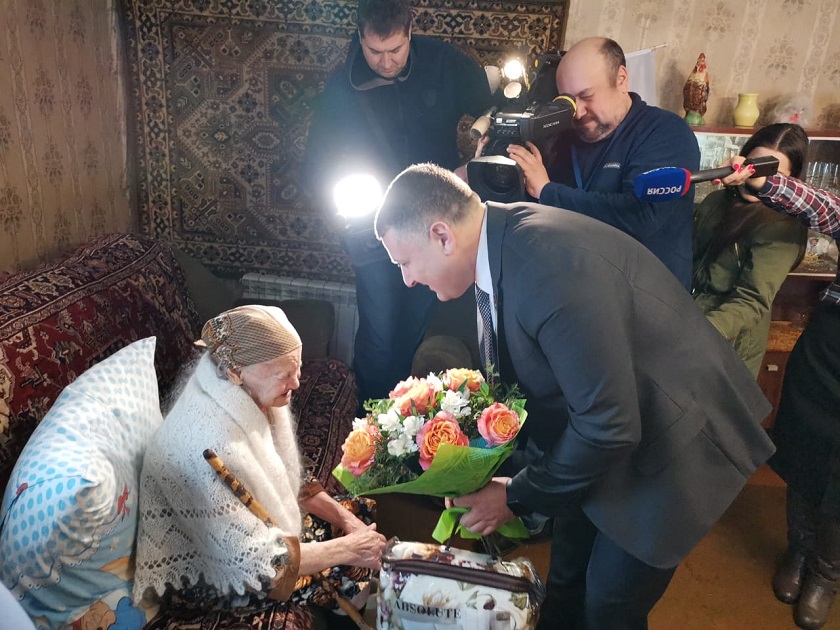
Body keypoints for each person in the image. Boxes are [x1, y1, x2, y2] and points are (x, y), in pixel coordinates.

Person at [373, 163, 775, 630]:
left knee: (609, 606)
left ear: (442, 236)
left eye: (404, 263)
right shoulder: (501, 238)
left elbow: (610, 425)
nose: (407, 280)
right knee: (566, 578)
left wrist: (515, 496)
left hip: (673, 438)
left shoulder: (546, 266)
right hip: (608, 428)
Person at [133, 305, 386, 629]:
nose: (297, 382)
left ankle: (361, 602)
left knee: (355, 515)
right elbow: (257, 560)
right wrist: (347, 549)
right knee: (344, 564)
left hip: (248, 535)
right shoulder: (207, 442)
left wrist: (346, 521)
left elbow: (291, 476)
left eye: (297, 369)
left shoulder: (243, 392)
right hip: (211, 575)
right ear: (236, 371)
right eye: (284, 375)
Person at [303, 0, 492, 407]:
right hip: (373, 231)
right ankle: (370, 420)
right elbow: (315, 164)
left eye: (395, 50)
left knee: (414, 333)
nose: (386, 62)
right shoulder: (341, 88)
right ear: (360, 37)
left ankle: (405, 421)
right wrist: (344, 216)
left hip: (433, 226)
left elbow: (492, 107)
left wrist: (475, 161)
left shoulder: (445, 63)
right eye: (375, 51)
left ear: (410, 31)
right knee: (379, 336)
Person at [720, 162, 840, 630]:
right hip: (829, 349)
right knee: (804, 451)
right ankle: (799, 550)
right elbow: (823, 207)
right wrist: (765, 182)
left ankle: (826, 573)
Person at [502, 37, 700, 289]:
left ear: (621, 79)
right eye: (568, 101)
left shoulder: (666, 131)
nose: (578, 111)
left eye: (587, 96)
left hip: (646, 297)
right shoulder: (562, 136)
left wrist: (547, 191)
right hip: (576, 290)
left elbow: (639, 217)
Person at [691, 123, 809, 377]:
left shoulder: (784, 226)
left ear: (791, 183)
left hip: (730, 341)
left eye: (773, 173)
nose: (757, 180)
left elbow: (752, 300)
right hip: (692, 320)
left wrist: (697, 334)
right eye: (754, 166)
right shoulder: (716, 201)